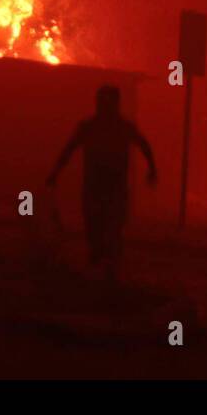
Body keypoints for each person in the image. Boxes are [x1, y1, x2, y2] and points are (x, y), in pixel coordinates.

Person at [47, 85, 157, 280]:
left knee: (112, 227)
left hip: (114, 187)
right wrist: (55, 173)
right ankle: (100, 265)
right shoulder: (91, 127)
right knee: (95, 225)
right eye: (103, 102)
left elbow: (144, 145)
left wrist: (152, 169)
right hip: (95, 186)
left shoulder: (120, 127)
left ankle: (109, 269)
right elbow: (69, 149)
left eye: (108, 102)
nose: (105, 107)